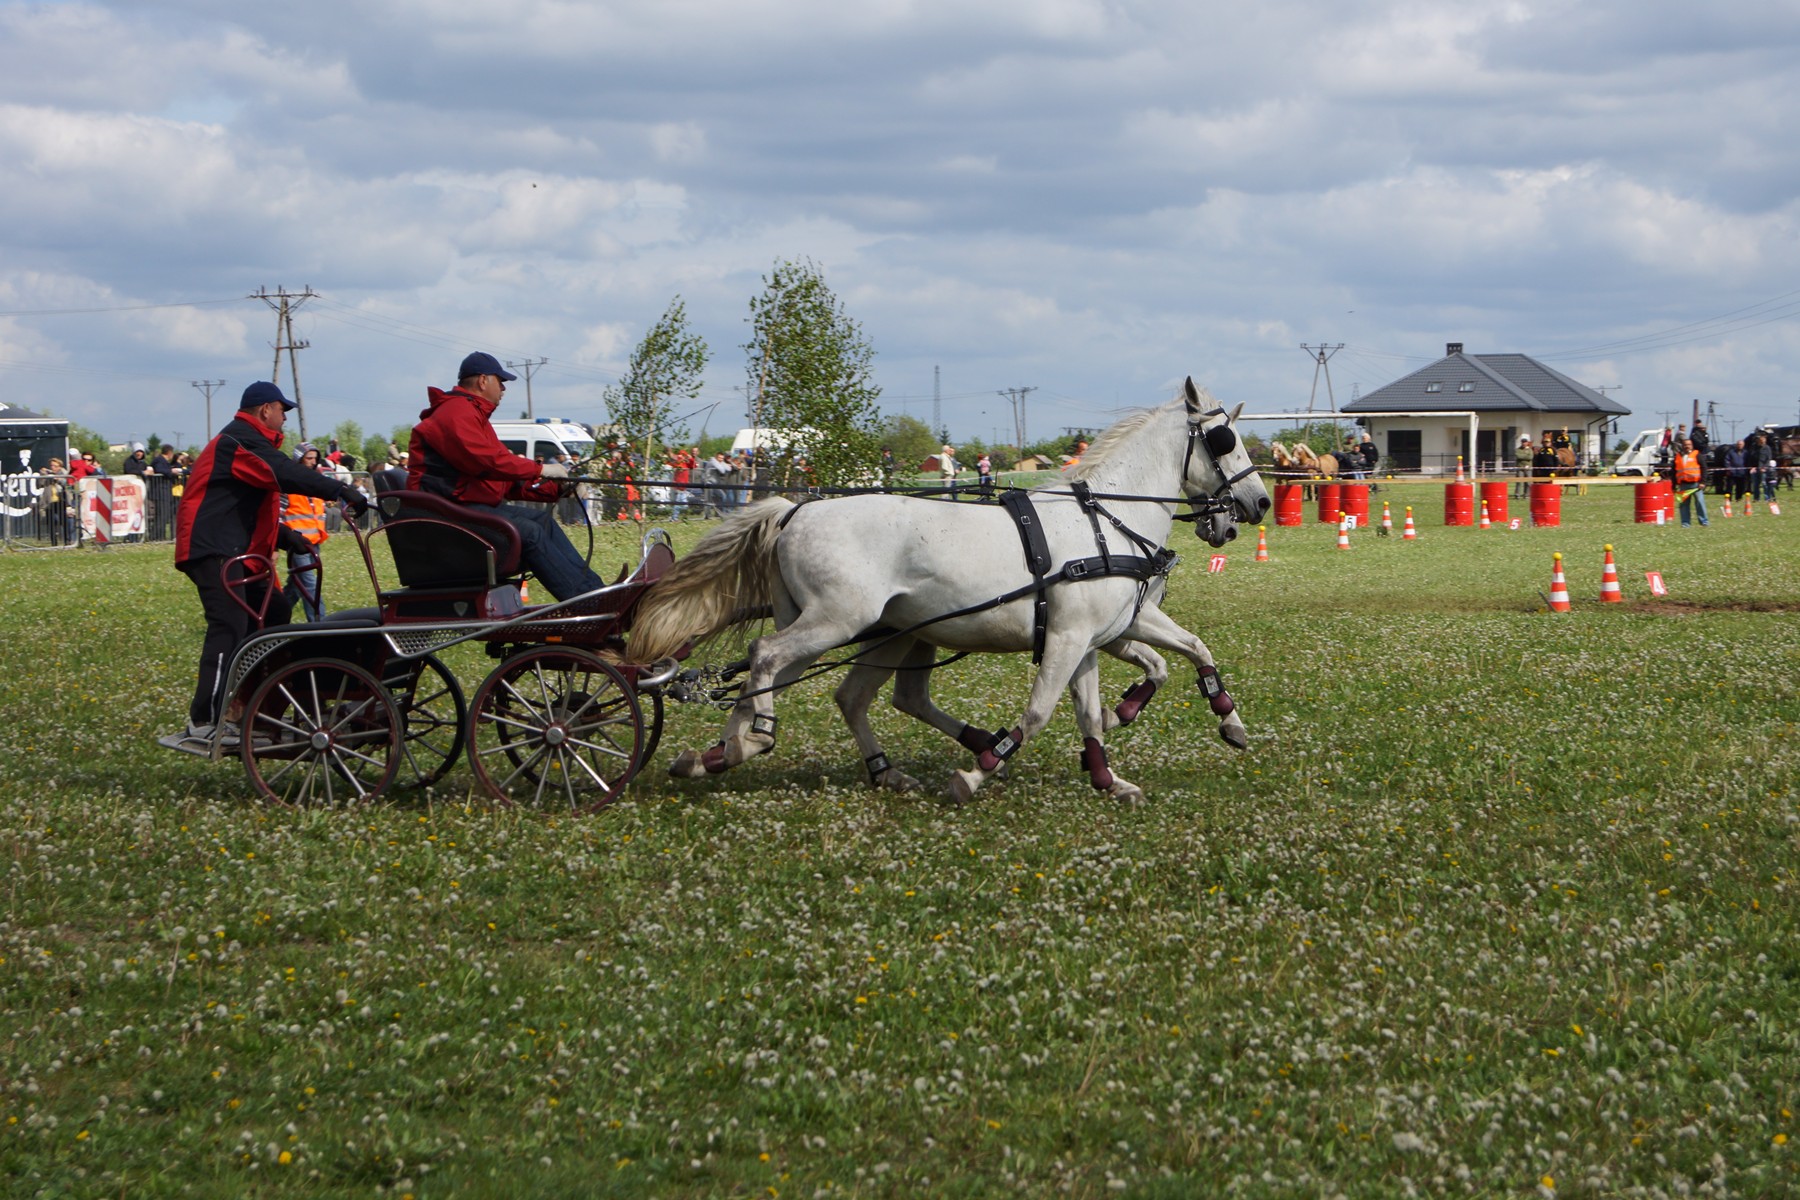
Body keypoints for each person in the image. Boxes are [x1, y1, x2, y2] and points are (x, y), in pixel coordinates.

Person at [174, 382, 369, 742]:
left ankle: (255, 706)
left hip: (236, 549)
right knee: (229, 627)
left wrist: (283, 536)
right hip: (214, 548)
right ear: (265, 410)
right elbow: (283, 472)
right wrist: (339, 489)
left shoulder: (248, 443)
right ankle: (205, 722)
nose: (284, 417)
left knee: (277, 614)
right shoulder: (239, 441)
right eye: (283, 410)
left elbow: (241, 506)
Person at [406, 352, 603, 601]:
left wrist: (556, 489)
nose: (503, 389)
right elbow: (489, 461)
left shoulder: (473, 415)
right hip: (442, 513)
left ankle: (595, 590)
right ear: (482, 380)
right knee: (530, 532)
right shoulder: (456, 413)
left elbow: (503, 479)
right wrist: (541, 469)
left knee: (542, 522)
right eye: (501, 382)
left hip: (461, 506)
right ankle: (585, 602)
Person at [281, 443, 330, 621]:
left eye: (314, 458)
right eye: (308, 458)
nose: (312, 462)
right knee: (310, 584)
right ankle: (320, 623)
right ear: (299, 458)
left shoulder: (314, 479)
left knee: (295, 586)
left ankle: (273, 614)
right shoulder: (288, 482)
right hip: (297, 543)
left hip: (314, 540)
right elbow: (279, 513)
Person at [1673, 438, 1708, 527]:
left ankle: (1704, 521)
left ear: (1692, 445)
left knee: (1700, 502)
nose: (1687, 446)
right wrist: (1674, 485)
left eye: (1689, 444)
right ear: (1682, 446)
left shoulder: (1697, 454)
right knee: (1684, 505)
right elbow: (1673, 471)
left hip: (1696, 484)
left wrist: (1703, 482)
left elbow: (1704, 468)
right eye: (1685, 444)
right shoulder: (1678, 456)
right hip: (1683, 484)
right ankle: (1685, 523)